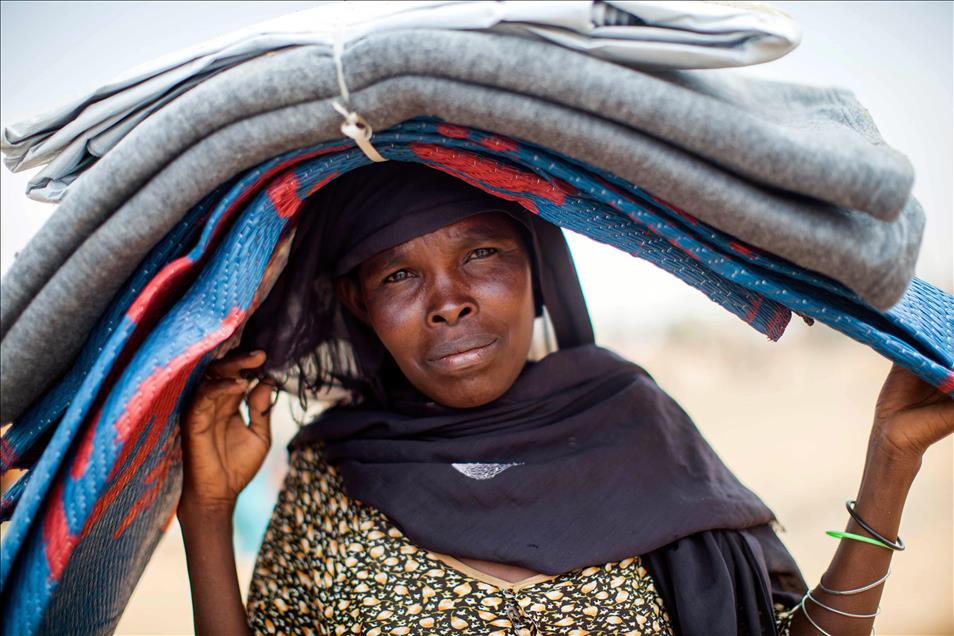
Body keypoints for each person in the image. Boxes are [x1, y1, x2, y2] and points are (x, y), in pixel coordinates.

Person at [176, 162, 953, 636]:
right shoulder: (335, 477)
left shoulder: (636, 431)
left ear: (538, 272)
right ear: (358, 305)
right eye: (398, 275)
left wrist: (889, 464)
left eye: (482, 254)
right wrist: (207, 516)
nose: (448, 301)